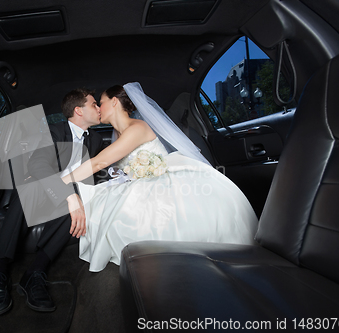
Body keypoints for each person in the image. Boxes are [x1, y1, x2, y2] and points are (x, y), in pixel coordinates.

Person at [61, 83, 258, 272]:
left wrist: (61, 181)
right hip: (140, 182)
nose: (98, 108)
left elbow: (98, 163)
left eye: (100, 102)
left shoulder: (136, 128)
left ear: (114, 102)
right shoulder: (118, 133)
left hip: (163, 182)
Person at [0, 88, 104, 317]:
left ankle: (35, 273)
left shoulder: (97, 140)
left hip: (71, 198)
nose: (99, 108)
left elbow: (98, 172)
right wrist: (68, 194)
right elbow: (38, 165)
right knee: (28, 188)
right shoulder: (54, 131)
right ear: (78, 110)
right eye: (94, 104)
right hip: (43, 192)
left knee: (80, 205)